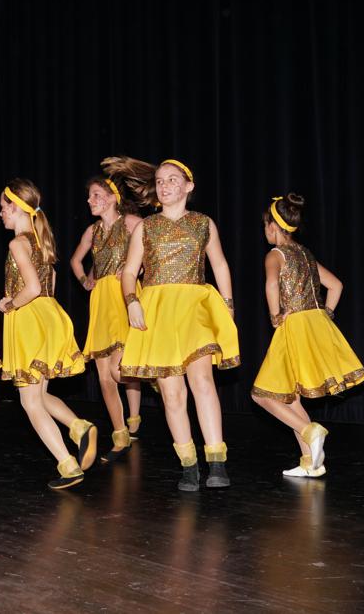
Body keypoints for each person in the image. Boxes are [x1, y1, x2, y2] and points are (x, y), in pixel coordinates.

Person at [116, 158, 239, 491]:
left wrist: (227, 306)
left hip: (194, 308)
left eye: (172, 179)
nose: (165, 185)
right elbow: (129, 272)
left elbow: (220, 265)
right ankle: (188, 464)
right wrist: (132, 301)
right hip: (157, 310)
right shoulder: (145, 227)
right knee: (171, 394)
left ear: (189, 186)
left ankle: (217, 460)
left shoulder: (203, 223)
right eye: (160, 181)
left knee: (202, 381)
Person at [252, 194, 364, 477]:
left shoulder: (275, 254)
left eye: (265, 225)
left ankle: (310, 430)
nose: (265, 230)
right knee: (291, 397)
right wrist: (325, 312)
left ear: (273, 226)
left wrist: (275, 316)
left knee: (261, 395)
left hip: (293, 326)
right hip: (316, 324)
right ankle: (311, 462)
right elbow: (336, 285)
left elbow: (271, 285)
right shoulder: (306, 254)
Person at [0, 179, 96, 489]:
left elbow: (32, 288)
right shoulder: (42, 242)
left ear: (16, 208)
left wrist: (8, 303)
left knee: (29, 402)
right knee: (39, 395)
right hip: (48, 315)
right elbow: (49, 283)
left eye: (3, 208)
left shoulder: (18, 244)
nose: (0, 214)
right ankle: (80, 427)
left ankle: (68, 465)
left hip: (29, 319)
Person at [69, 160, 144, 462]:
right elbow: (75, 261)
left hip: (125, 296)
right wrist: (85, 280)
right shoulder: (92, 231)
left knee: (118, 368)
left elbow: (152, 254)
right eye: (89, 196)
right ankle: (120, 435)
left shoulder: (132, 223)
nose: (90, 200)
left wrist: (136, 272)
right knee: (103, 376)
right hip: (101, 299)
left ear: (113, 197)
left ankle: (149, 383)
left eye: (96, 195)